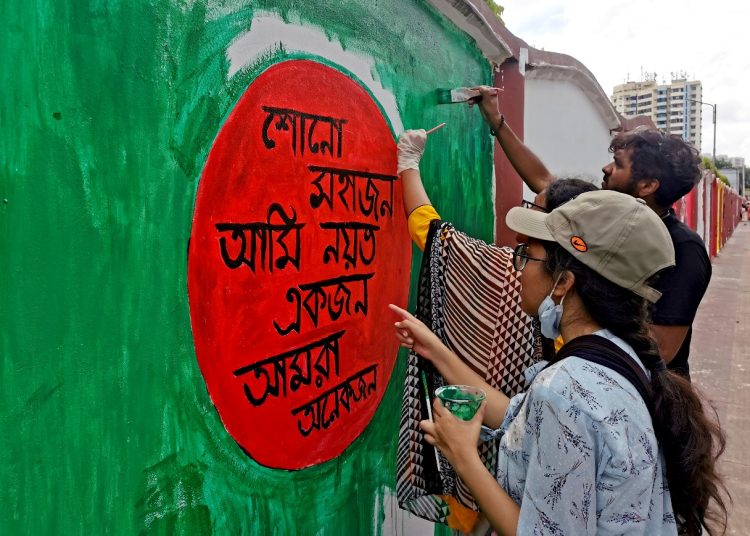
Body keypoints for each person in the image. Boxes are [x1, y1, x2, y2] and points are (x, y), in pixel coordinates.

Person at [390, 190, 728, 535]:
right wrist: (435, 349)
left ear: (563, 282)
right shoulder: (617, 355)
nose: (518, 268)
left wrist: (462, 456)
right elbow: (517, 415)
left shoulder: (565, 390)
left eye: (527, 256)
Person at [471, 87, 710, 377]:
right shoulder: (605, 214)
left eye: (618, 164)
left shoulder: (684, 249)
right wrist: (495, 119)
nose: (605, 168)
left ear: (647, 186)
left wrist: (578, 343)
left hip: (633, 387)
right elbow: (545, 182)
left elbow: (662, 348)